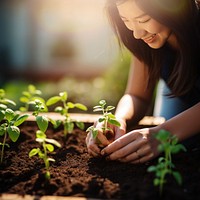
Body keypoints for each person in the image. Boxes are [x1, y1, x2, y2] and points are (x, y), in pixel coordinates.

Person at [86, 0, 200, 164]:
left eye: (143, 20)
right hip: (182, 93)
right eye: (126, 20)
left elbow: (166, 133)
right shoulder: (143, 41)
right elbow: (137, 95)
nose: (137, 34)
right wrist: (119, 119)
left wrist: (163, 134)